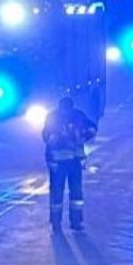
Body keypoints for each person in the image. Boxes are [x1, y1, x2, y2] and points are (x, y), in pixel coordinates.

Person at [43, 96, 97, 232]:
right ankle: (74, 222)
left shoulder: (53, 116)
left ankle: (58, 223)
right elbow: (92, 128)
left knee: (59, 192)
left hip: (61, 162)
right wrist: (84, 137)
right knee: (74, 193)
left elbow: (45, 136)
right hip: (72, 162)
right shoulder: (77, 115)